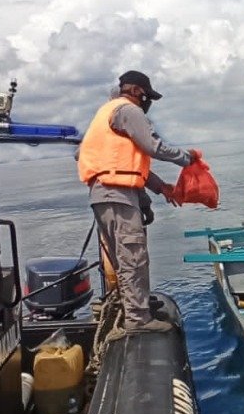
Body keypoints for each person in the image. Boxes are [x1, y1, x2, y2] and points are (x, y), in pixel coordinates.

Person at [78, 70, 198, 338]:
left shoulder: (106, 114)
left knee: (125, 256)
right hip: (115, 194)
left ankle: (136, 305)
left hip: (111, 194)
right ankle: (137, 318)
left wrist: (156, 192)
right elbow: (152, 146)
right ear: (136, 91)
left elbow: (128, 166)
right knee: (133, 256)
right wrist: (186, 158)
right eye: (146, 96)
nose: (147, 102)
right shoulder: (128, 111)